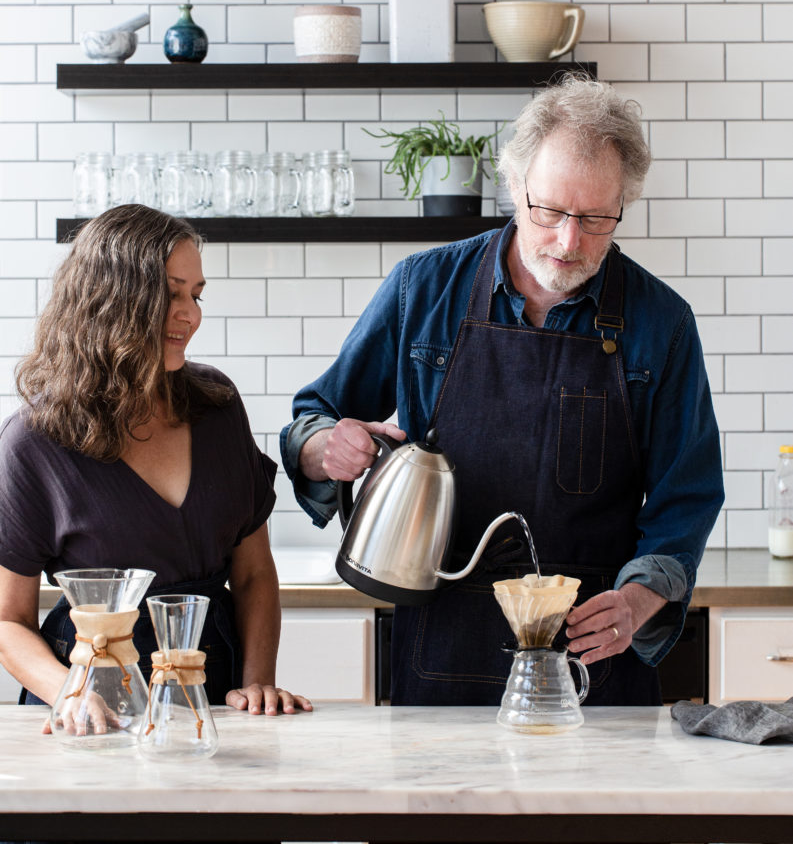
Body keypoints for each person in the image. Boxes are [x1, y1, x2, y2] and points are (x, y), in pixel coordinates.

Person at [281, 77, 724, 707]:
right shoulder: (422, 289)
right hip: (441, 647)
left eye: (597, 218)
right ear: (514, 187)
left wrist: (637, 599)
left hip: (593, 658)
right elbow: (311, 419)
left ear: (623, 204)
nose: (570, 242)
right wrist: (327, 447)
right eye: (551, 212)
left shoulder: (663, 324)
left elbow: (689, 496)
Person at [0, 204, 311, 723]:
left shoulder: (217, 405)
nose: (190, 313)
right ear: (110, 299)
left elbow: (254, 573)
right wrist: (70, 692)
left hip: (210, 690)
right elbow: (8, 620)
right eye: (170, 294)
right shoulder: (34, 441)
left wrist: (258, 682)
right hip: (89, 699)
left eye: (196, 294)